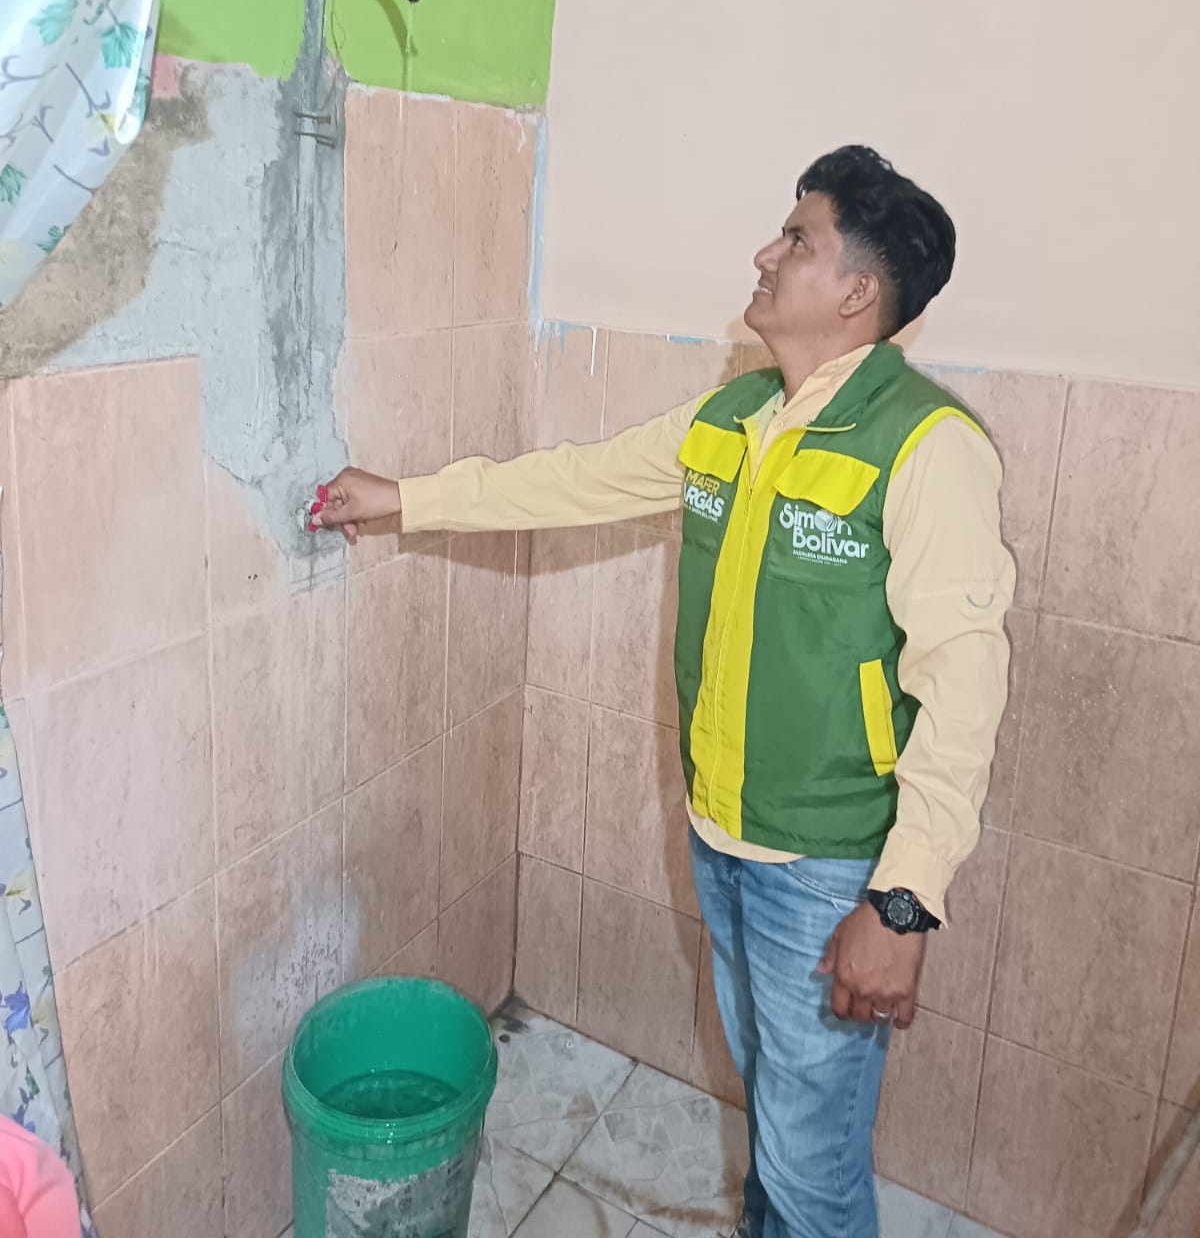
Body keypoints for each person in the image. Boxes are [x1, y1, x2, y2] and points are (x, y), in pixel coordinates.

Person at [314, 145, 1015, 1238]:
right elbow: (576, 479)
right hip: (721, 835)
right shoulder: (733, 417)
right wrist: (406, 498)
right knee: (777, 1123)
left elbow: (963, 686)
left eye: (798, 239)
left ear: (858, 291)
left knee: (812, 1164)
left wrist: (902, 900)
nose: (765, 253)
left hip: (828, 866)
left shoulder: (928, 445)